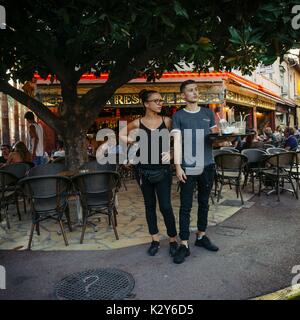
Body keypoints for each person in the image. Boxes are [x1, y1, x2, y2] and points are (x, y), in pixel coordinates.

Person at [120, 89, 178, 257]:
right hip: (143, 171)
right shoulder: (137, 123)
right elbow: (121, 134)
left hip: (163, 171)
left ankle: (173, 239)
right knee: (149, 205)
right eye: (156, 100)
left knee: (166, 207)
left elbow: (180, 140)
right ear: (146, 104)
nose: (160, 103)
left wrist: (173, 153)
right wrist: (133, 141)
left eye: (161, 100)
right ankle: (155, 239)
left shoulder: (167, 121)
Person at [171, 79, 219, 264]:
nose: (195, 92)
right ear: (184, 95)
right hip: (188, 167)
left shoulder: (208, 113)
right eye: (190, 90)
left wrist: (224, 139)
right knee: (185, 206)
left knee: (204, 203)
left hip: (207, 165)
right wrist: (177, 166)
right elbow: (177, 142)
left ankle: (201, 236)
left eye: (196, 90)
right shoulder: (178, 116)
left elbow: (216, 138)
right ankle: (184, 243)